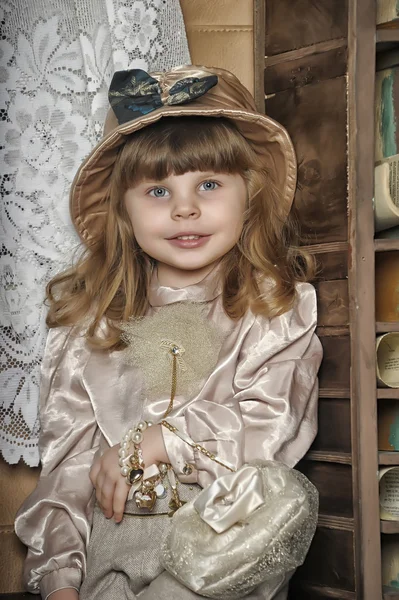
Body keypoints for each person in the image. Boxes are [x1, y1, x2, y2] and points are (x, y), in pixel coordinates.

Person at [15, 65, 323, 600]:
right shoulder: (89, 328)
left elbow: (272, 427)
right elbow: (66, 474)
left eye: (208, 184)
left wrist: (157, 441)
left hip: (222, 544)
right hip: (118, 544)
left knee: (286, 495)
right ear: (124, 212)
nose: (185, 207)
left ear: (248, 194)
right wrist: (59, 582)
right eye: (158, 190)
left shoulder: (275, 308)